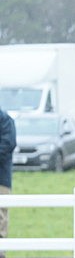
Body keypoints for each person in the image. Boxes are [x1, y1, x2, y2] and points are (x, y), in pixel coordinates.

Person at [0, 106, 17, 249]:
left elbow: (7, 145)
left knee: (0, 214)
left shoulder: (4, 120)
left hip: (1, 177)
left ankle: (1, 250)